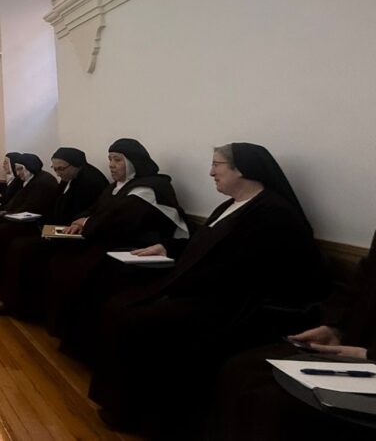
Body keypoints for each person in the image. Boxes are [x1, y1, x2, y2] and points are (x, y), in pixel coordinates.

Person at [88, 143, 328, 436]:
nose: (211, 172)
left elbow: (252, 270)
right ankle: (122, 406)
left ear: (243, 170)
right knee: (119, 305)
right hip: (205, 293)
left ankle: (144, 415)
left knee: (135, 319)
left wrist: (186, 286)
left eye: (218, 165)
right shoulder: (230, 205)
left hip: (238, 306)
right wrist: (166, 246)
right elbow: (201, 246)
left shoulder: (271, 211)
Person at [0, 138, 185, 322]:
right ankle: (35, 312)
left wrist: (85, 223)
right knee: (42, 255)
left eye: (117, 159)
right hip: (104, 238)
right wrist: (80, 220)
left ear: (134, 162)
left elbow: (119, 220)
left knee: (66, 266)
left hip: (133, 245)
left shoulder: (149, 188)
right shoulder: (116, 186)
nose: (111, 164)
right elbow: (95, 208)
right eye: (110, 159)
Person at [213, 225, 376, 441]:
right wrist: (335, 326)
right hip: (354, 343)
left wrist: (368, 356)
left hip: (369, 358)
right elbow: (363, 280)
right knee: (241, 369)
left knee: (272, 402)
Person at [0, 153, 60, 286]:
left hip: (35, 225)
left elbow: (32, 207)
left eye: (20, 169)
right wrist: (7, 212)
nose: (18, 172)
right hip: (22, 220)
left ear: (30, 167)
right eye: (17, 169)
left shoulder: (43, 182)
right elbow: (16, 201)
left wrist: (5, 214)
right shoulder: (30, 179)